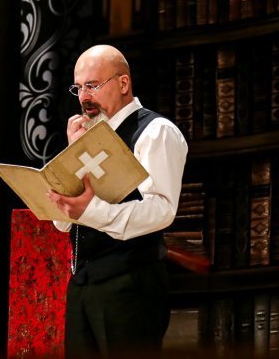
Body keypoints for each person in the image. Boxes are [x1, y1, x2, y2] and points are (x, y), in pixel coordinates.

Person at [47, 44, 188, 358]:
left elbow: (162, 210)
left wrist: (92, 211)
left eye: (93, 85)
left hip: (129, 283)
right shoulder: (87, 135)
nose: (84, 97)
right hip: (82, 284)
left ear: (123, 83)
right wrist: (72, 157)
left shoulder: (154, 132)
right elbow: (62, 224)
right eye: (78, 88)